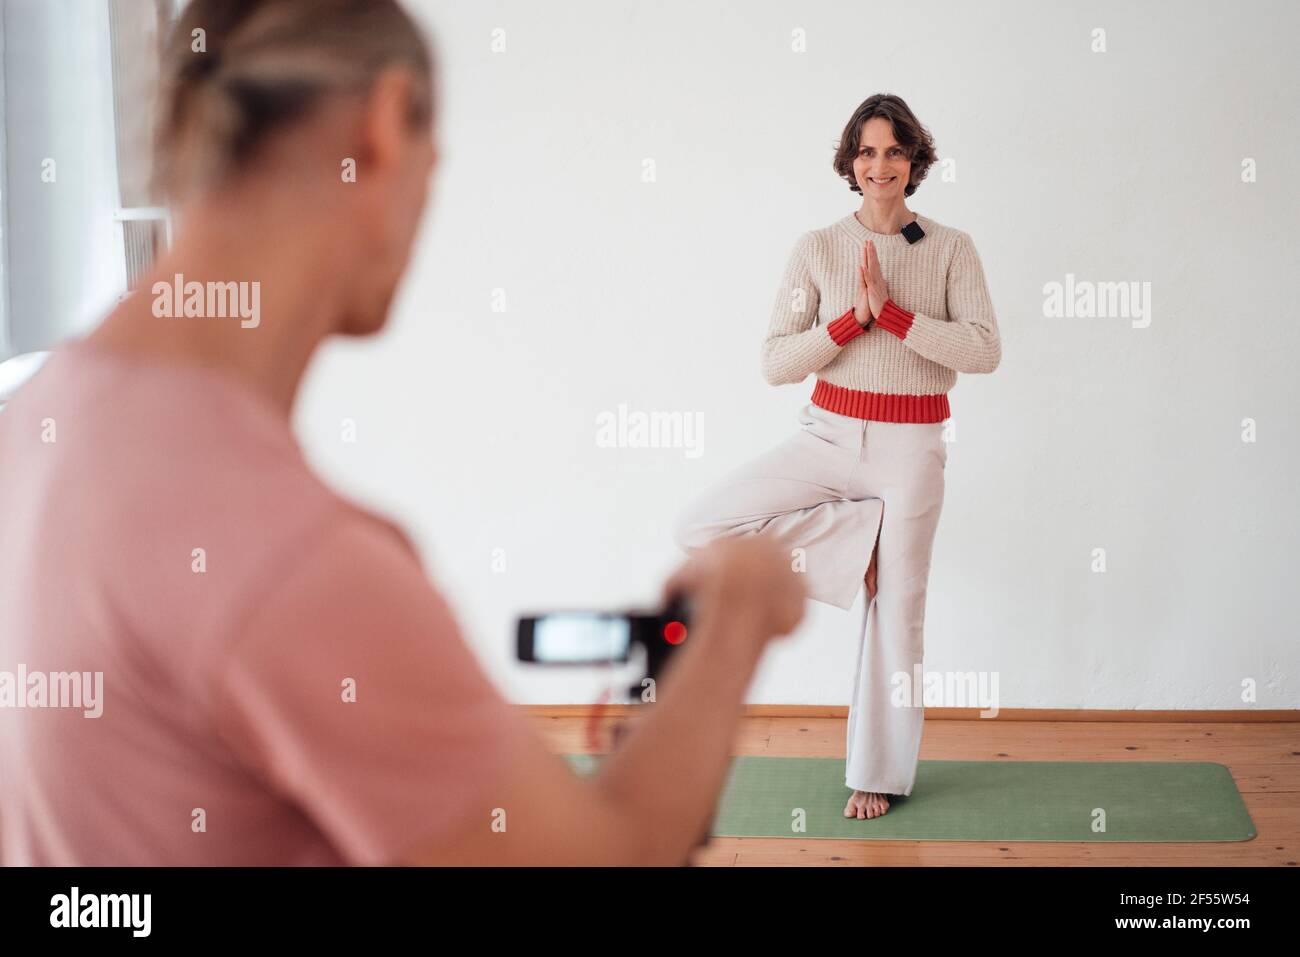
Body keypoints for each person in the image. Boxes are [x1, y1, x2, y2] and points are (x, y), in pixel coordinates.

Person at [0, 0, 806, 866]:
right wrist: (740, 612)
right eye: (435, 166)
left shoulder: (32, 419)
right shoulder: (289, 558)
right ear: (385, 129)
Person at [673, 93, 1002, 821]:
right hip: (826, 433)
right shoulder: (817, 248)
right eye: (866, 151)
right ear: (849, 162)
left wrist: (892, 313)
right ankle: (855, 546)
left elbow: (983, 349)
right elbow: (774, 361)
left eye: (893, 150)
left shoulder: (950, 247)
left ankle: (877, 773)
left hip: (912, 447)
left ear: (914, 159)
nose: (879, 165)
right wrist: (852, 319)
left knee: (897, 614)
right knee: (701, 525)